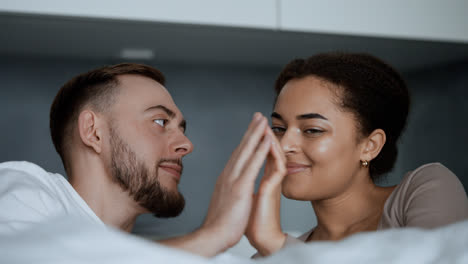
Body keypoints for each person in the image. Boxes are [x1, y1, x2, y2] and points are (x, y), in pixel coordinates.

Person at [0, 63, 285, 257]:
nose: (186, 144)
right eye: (160, 122)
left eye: (182, 129)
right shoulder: (21, 188)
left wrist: (275, 243)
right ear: (93, 132)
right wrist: (213, 234)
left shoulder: (149, 254)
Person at [245, 52, 468, 257]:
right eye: (278, 128)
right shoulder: (268, 254)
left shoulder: (427, 188)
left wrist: (277, 246)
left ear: (370, 146)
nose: (283, 146)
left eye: (312, 130)